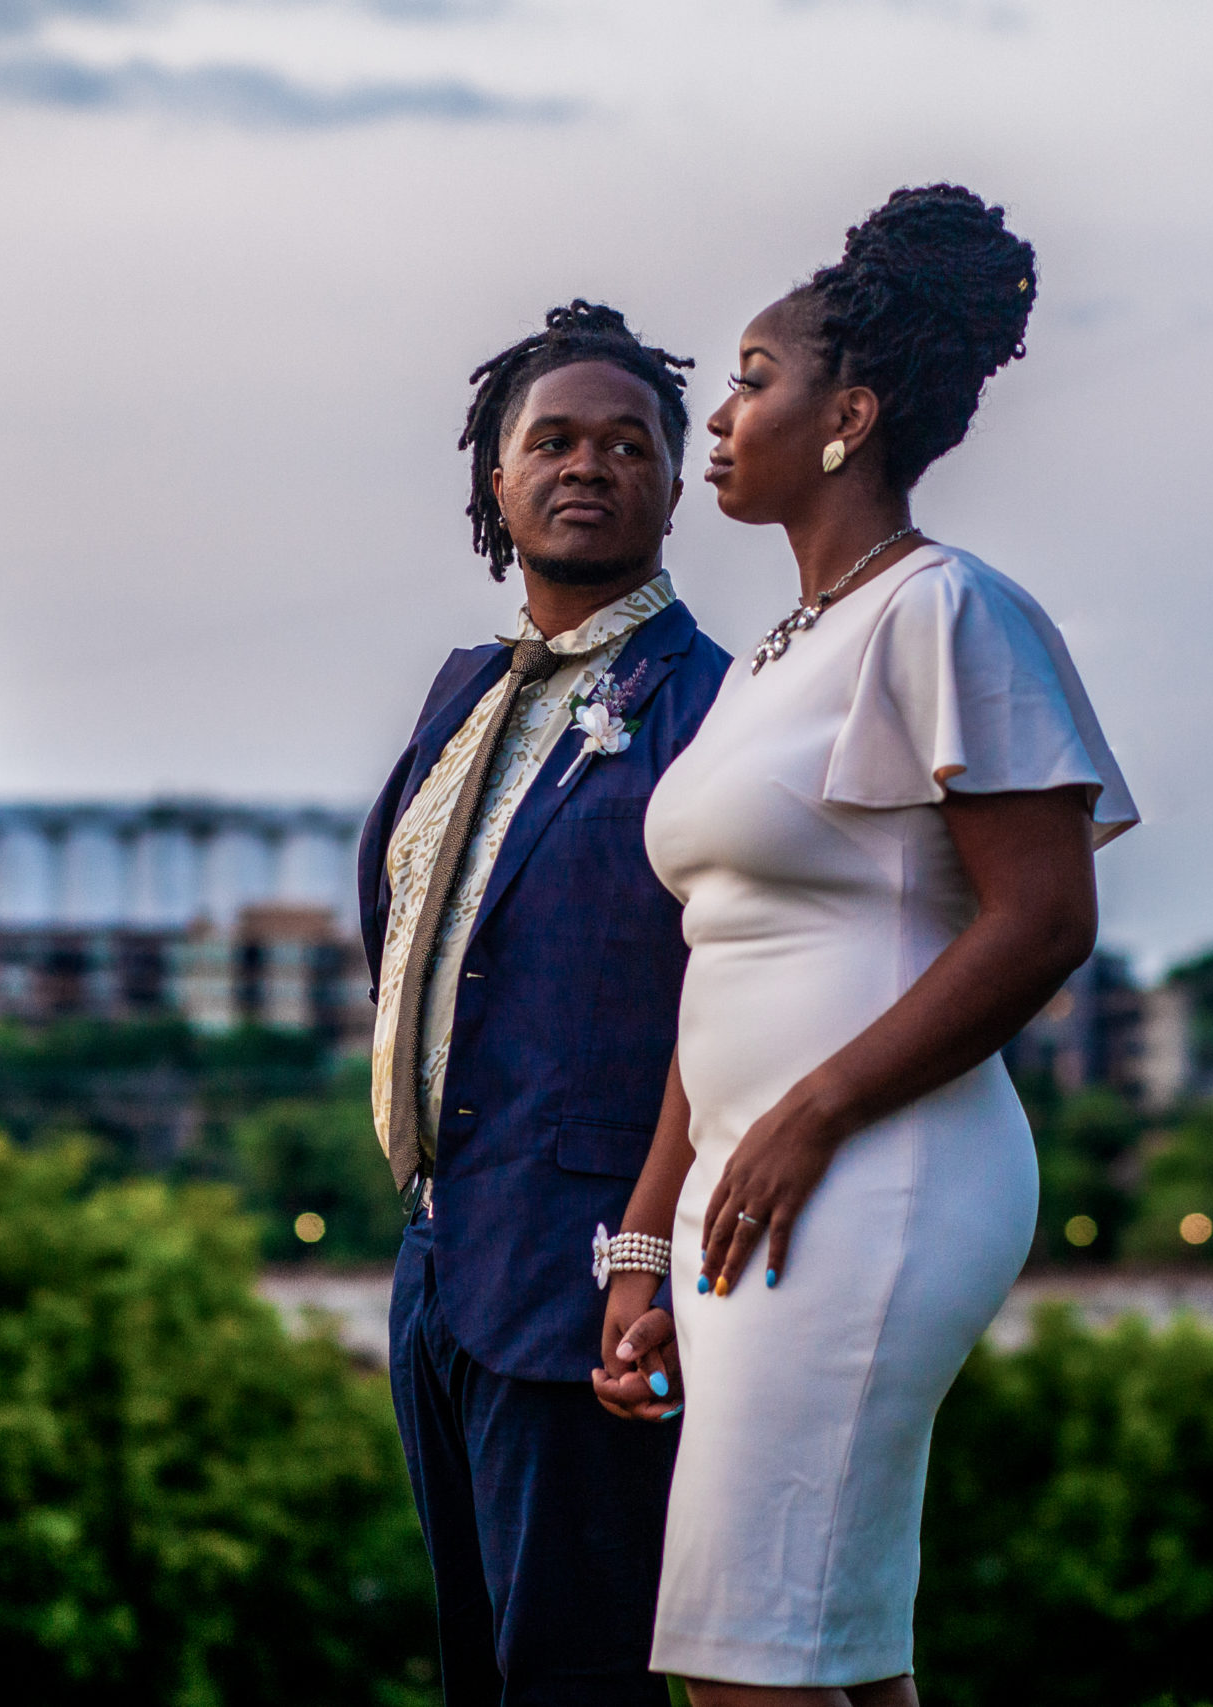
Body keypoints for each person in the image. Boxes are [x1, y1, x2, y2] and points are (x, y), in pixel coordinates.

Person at [599, 186, 1141, 1705]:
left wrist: (813, 1116)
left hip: (874, 1175)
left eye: (753, 379)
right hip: (750, 1185)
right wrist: (646, 1239)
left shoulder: (945, 611)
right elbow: (723, 963)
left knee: (744, 1657)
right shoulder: (777, 654)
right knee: (829, 1652)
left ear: (850, 414)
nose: (719, 414)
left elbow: (1046, 921)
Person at [360, 300, 732, 1706]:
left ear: (673, 485)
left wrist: (648, 1243)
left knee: (577, 1677)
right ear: (496, 480)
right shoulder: (460, 694)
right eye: (554, 441)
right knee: (478, 1667)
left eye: (628, 443)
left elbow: (729, 991)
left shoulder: (711, 705)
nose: (590, 465)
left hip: (592, 1272)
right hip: (441, 1263)